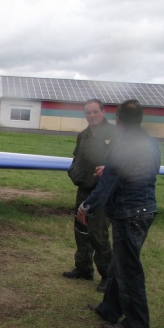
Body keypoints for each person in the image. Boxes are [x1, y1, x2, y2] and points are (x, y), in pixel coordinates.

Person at [77, 99, 160, 328]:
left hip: (130, 213)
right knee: (119, 263)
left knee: (128, 269)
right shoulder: (148, 142)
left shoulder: (122, 144)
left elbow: (107, 183)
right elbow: (148, 169)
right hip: (145, 209)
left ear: (119, 119)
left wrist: (86, 207)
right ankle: (109, 309)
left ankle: (137, 323)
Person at [64, 98, 117, 292]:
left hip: (103, 192)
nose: (92, 116)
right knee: (81, 230)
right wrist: (74, 173)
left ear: (103, 112)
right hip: (84, 189)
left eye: (95, 112)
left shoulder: (114, 134)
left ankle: (107, 275)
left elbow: (121, 162)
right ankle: (83, 268)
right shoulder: (83, 135)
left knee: (98, 234)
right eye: (88, 113)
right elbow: (77, 157)